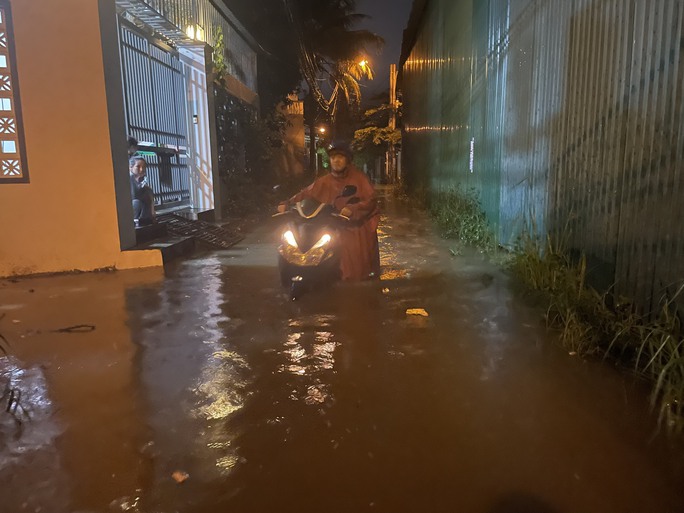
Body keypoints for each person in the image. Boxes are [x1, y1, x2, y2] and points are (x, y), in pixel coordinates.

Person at [278, 140, 380, 281]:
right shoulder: (324, 181)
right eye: (333, 157)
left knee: (352, 266)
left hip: (352, 225)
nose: (336, 160)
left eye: (340, 157)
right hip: (328, 221)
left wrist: (352, 209)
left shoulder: (359, 179)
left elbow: (370, 200)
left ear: (347, 160)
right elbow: (306, 193)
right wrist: (287, 203)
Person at [129, 156, 156, 226]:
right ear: (130, 167)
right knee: (136, 202)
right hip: (129, 210)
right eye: (138, 167)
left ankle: (146, 220)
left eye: (143, 167)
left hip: (142, 213)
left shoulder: (142, 179)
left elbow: (149, 196)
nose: (141, 169)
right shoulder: (129, 178)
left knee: (148, 191)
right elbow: (134, 195)